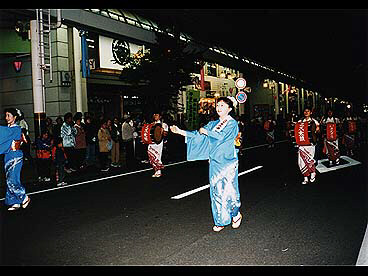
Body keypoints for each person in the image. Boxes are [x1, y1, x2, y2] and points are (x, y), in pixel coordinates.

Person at [170, 96, 242, 232]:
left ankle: (235, 214)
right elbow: (198, 135)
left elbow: (222, 136)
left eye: (222, 105)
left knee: (229, 190)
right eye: (218, 105)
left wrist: (207, 132)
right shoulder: (213, 124)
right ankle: (220, 221)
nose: (219, 108)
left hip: (227, 161)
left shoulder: (232, 124)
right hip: (215, 161)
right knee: (216, 191)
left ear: (229, 109)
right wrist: (180, 131)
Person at [0, 108, 30, 211]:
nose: (6, 118)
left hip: (15, 155)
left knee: (12, 179)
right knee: (10, 177)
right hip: (9, 155)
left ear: (15, 117)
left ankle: (23, 197)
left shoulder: (16, 129)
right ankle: (14, 201)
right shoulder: (9, 128)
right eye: (6, 115)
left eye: (9, 115)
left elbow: (4, 133)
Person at [295, 107, 320, 185]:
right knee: (301, 162)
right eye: (305, 111)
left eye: (308, 111)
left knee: (309, 160)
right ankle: (305, 177)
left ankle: (313, 173)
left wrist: (317, 130)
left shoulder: (314, 121)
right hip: (302, 144)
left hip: (310, 145)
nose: (306, 112)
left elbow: (318, 132)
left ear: (311, 112)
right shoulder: (300, 121)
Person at [147, 113, 168, 178]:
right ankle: (156, 170)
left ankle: (158, 171)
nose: (155, 116)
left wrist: (162, 131)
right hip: (152, 142)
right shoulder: (152, 124)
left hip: (158, 142)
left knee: (157, 156)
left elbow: (165, 134)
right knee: (151, 155)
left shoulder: (163, 124)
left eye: (157, 115)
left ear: (160, 117)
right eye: (154, 115)